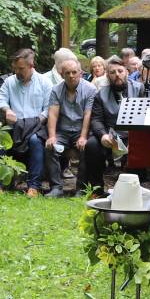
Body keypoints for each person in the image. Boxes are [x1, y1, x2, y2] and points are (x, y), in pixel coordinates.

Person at [0, 48, 53, 195]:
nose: (17, 72)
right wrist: (6, 110)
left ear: (31, 65)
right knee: (1, 139)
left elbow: (48, 109)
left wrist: (32, 123)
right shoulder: (9, 82)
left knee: (35, 140)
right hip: (14, 125)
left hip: (36, 126)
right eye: (15, 68)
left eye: (20, 68)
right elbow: (1, 100)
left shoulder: (45, 83)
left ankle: (34, 186)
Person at [43, 58, 97, 197]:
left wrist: (83, 137)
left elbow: (88, 114)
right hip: (63, 131)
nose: (71, 75)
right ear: (62, 74)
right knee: (50, 146)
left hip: (81, 130)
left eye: (74, 72)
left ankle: (81, 189)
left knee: (87, 147)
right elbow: (53, 114)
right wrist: (52, 136)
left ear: (81, 73)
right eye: (67, 73)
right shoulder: (56, 90)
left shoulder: (90, 89)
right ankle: (56, 187)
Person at [82, 60, 135, 195]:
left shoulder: (139, 89)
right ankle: (97, 190)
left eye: (120, 71)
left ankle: (136, 191)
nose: (117, 75)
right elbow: (96, 119)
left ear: (127, 72)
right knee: (92, 144)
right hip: (110, 136)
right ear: (107, 76)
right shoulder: (101, 94)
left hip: (134, 135)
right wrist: (103, 135)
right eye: (112, 72)